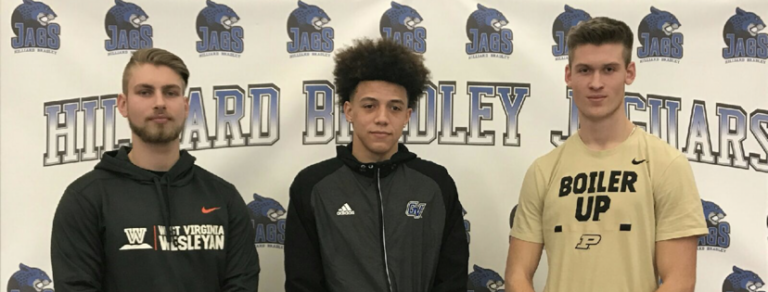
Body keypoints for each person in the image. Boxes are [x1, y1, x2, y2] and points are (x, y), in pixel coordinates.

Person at [506, 17, 708, 292]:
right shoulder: (544, 170)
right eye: (585, 70)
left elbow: (679, 281)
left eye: (609, 69)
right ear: (569, 75)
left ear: (629, 72)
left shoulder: (665, 165)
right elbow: (517, 274)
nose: (596, 83)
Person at [51, 48, 260, 292]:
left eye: (170, 93)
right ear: (123, 104)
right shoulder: (86, 199)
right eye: (145, 92)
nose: (159, 103)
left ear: (185, 105)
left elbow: (242, 285)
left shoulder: (223, 198)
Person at [284, 37, 469, 292]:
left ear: (407, 116)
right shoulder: (313, 186)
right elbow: (302, 283)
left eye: (394, 107)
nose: (382, 118)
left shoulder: (435, 184)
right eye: (370, 106)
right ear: (349, 111)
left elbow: (452, 279)